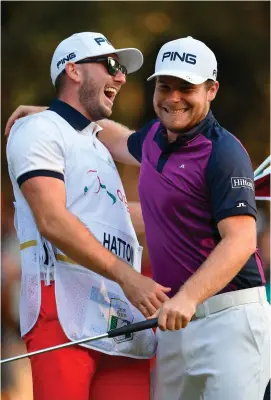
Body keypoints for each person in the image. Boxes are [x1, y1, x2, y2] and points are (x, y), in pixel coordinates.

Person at [6, 36, 270, 400]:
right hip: (170, 322)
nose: (173, 97)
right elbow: (111, 137)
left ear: (211, 90)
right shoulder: (153, 142)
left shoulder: (224, 153)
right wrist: (49, 113)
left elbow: (241, 240)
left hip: (227, 319)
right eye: (165, 86)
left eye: (186, 88)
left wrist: (188, 296)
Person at [6, 32, 172, 400]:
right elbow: (52, 220)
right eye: (111, 65)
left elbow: (119, 218)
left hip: (120, 317)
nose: (121, 78)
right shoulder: (40, 130)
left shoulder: (96, 144)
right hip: (63, 308)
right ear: (73, 70)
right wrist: (130, 277)